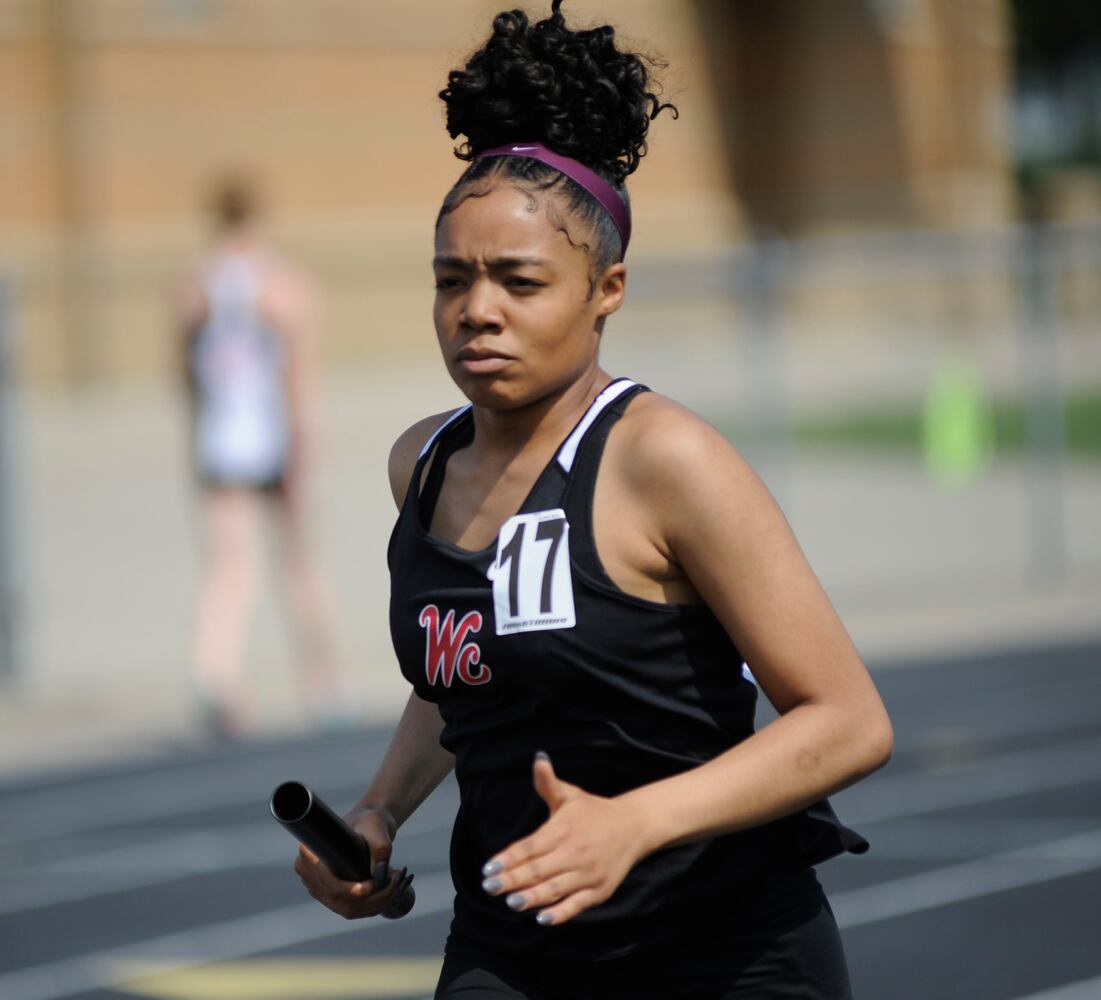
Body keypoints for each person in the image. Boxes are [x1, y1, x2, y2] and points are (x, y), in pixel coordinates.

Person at [293, 3, 893, 996]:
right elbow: (468, 676)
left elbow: (847, 720)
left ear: (605, 288)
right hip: (512, 942)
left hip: (719, 953)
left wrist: (636, 820)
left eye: (518, 281)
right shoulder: (422, 466)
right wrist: (377, 812)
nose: (476, 309)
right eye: (452, 279)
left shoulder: (665, 460)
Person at [177, 176, 352, 738]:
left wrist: (199, 431)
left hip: (221, 440)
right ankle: (324, 684)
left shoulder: (196, 288)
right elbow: (295, 374)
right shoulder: (282, 286)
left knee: (229, 569)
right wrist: (305, 443)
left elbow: (185, 372)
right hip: (274, 438)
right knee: (300, 564)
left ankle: (216, 679)